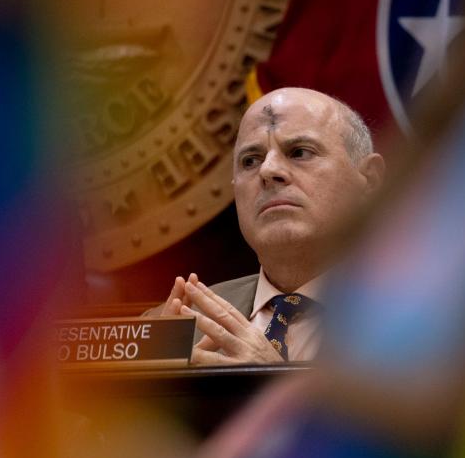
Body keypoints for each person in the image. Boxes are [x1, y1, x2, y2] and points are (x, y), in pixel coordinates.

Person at [156, 87, 384, 365]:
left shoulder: (435, 320)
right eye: (250, 161)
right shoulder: (174, 324)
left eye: (299, 152)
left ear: (369, 181)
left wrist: (267, 377)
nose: (267, 170)